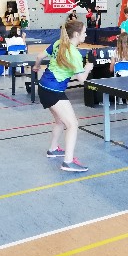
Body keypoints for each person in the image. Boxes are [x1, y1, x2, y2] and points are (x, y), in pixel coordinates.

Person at [32, 20, 93, 172]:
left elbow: (39, 56)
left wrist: (36, 67)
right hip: (54, 91)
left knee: (59, 121)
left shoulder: (58, 43)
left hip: (43, 87)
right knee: (73, 124)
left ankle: (53, 149)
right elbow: (81, 79)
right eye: (84, 32)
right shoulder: (74, 54)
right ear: (76, 34)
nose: (86, 35)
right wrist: (88, 67)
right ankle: (68, 162)